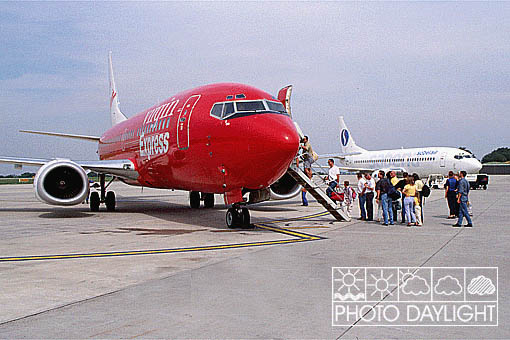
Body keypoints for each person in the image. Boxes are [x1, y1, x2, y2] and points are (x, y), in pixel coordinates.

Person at [299, 136, 314, 206]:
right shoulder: (306, 143)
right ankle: (310, 177)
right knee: (309, 168)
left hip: (308, 158)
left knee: (306, 169)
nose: (303, 140)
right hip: (309, 157)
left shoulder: (307, 144)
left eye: (304, 139)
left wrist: (301, 146)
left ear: (307, 139)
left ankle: (309, 178)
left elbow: (306, 148)